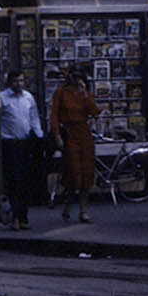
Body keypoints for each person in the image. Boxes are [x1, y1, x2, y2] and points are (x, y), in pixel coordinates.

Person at [49, 68, 101, 222]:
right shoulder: (61, 93)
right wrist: (57, 135)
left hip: (84, 134)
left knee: (86, 172)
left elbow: (94, 112)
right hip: (69, 133)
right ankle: (68, 205)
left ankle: (83, 211)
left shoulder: (85, 93)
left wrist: (85, 93)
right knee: (73, 171)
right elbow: (54, 115)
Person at [0, 69, 43, 229]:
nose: (19, 84)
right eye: (16, 81)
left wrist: (39, 136)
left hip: (25, 142)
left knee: (25, 181)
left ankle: (23, 217)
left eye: (21, 81)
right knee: (14, 180)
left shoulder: (28, 97)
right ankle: (15, 217)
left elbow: (34, 117)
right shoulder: (2, 98)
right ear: (10, 82)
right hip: (10, 143)